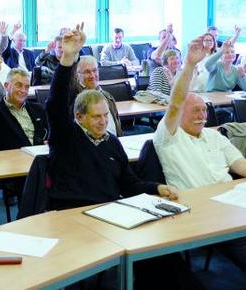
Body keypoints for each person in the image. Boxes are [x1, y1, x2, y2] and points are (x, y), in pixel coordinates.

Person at [48, 24, 200, 290]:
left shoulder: (111, 144)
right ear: (79, 117)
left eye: (106, 116)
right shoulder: (67, 138)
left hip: (113, 213)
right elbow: (55, 103)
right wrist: (68, 59)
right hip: (76, 216)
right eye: (96, 117)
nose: (102, 122)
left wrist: (156, 187)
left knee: (163, 253)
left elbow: (129, 183)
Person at [153, 35, 246, 290]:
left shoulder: (213, 135)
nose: (202, 116)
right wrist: (188, 65)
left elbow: (241, 164)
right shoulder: (169, 137)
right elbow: (175, 103)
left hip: (233, 204)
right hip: (202, 212)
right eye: (195, 111)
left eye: (204, 111)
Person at [0, 57, 47, 151]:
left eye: (27, 87)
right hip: (12, 160)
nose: (23, 90)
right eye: (19, 85)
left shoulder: (37, 109)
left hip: (39, 157)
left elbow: (48, 131)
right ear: (6, 86)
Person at [74, 56, 123, 136]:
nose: (92, 76)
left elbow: (117, 127)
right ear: (78, 75)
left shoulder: (107, 96)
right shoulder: (74, 99)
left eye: (94, 70)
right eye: (87, 72)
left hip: (113, 142)